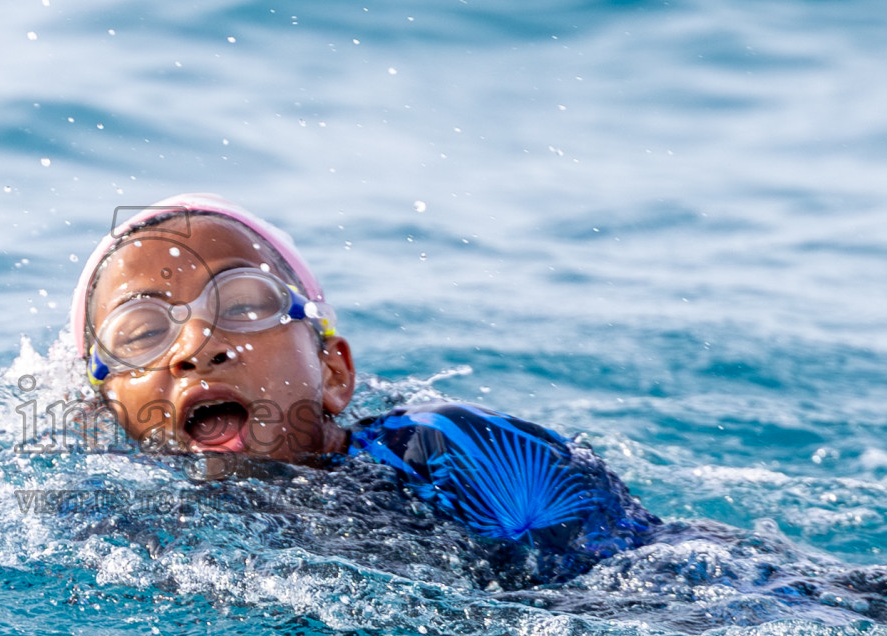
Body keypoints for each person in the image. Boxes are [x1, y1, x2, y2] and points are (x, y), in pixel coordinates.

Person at [69, 194, 657, 578]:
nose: (197, 346)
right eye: (141, 333)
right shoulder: (124, 534)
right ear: (108, 416)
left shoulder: (452, 451)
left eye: (245, 304)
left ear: (333, 372)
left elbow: (650, 579)